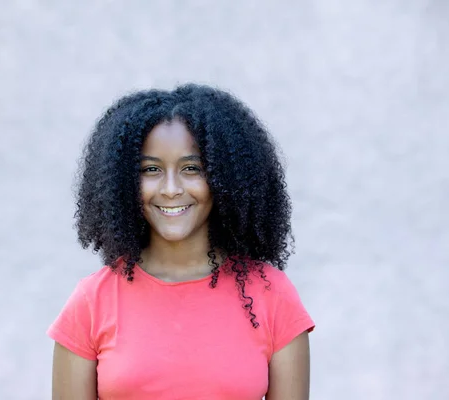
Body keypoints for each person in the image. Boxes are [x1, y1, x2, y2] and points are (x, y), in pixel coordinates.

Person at [48, 83, 315, 400]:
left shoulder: (273, 296)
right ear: (123, 181)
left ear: (225, 177)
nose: (171, 188)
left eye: (192, 168)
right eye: (151, 169)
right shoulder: (92, 302)